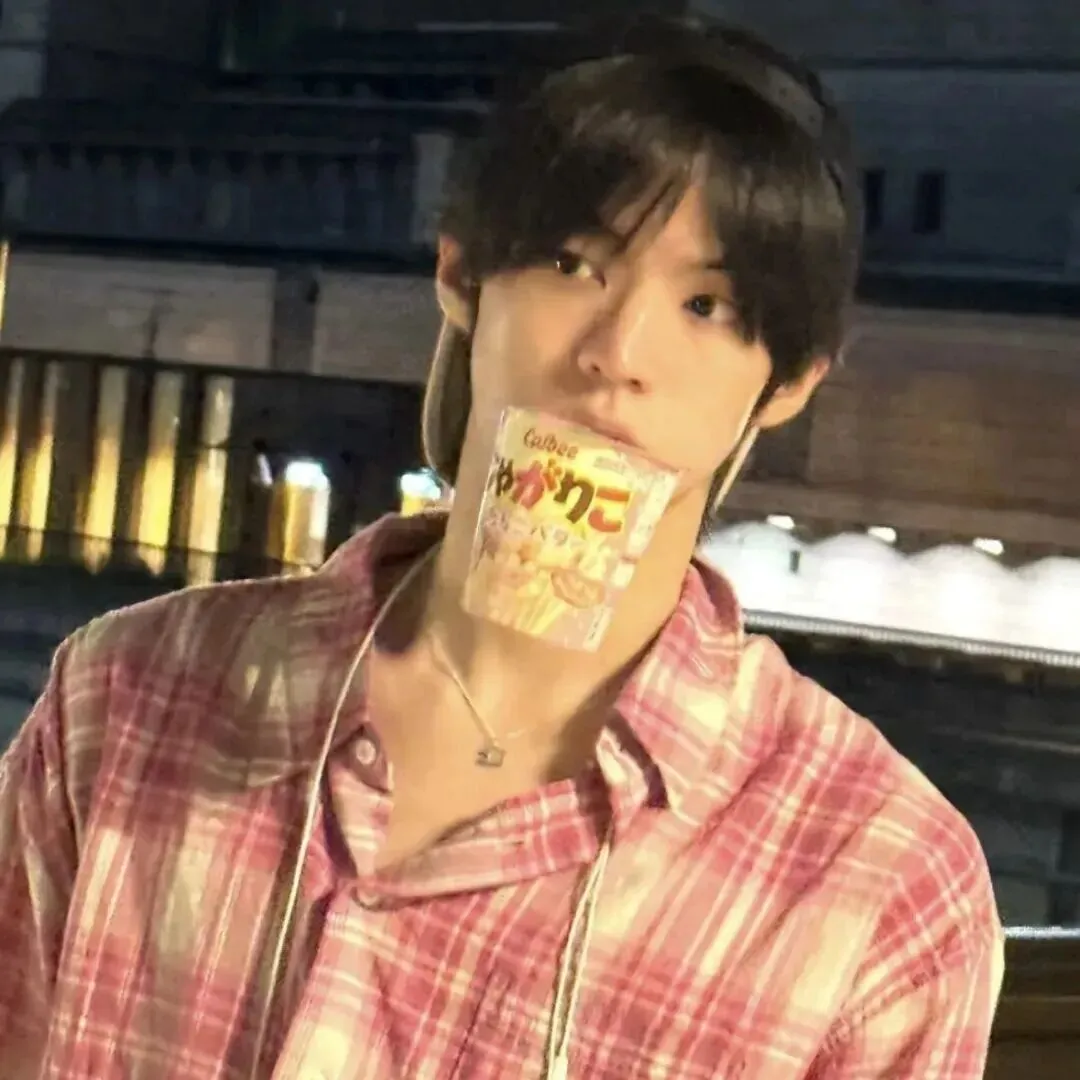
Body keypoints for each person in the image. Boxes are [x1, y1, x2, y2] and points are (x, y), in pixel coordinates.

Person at [0, 14, 1003, 1080]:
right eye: (574, 263)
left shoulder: (880, 888)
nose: (618, 352)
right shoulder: (126, 696)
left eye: (706, 305)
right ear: (464, 276)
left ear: (790, 381)